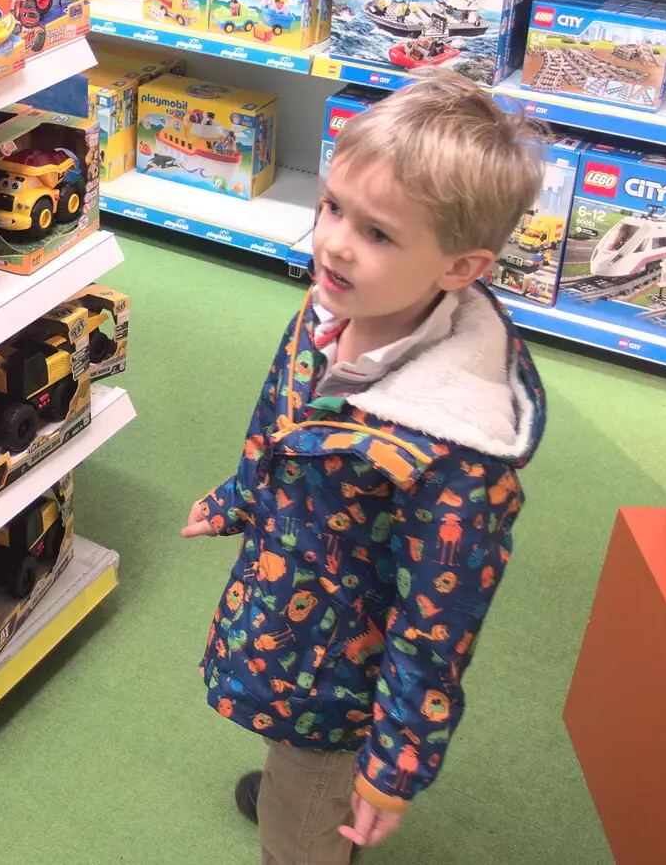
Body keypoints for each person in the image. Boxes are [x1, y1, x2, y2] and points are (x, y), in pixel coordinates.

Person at [182, 75, 548, 865]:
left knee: (306, 825)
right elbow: (281, 419)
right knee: (298, 770)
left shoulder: (456, 459)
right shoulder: (335, 311)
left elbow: (438, 628)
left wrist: (394, 767)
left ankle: (306, 828)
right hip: (295, 608)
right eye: (333, 207)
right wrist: (241, 495)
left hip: (342, 679)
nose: (336, 242)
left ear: (459, 267)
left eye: (379, 233)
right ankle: (296, 791)